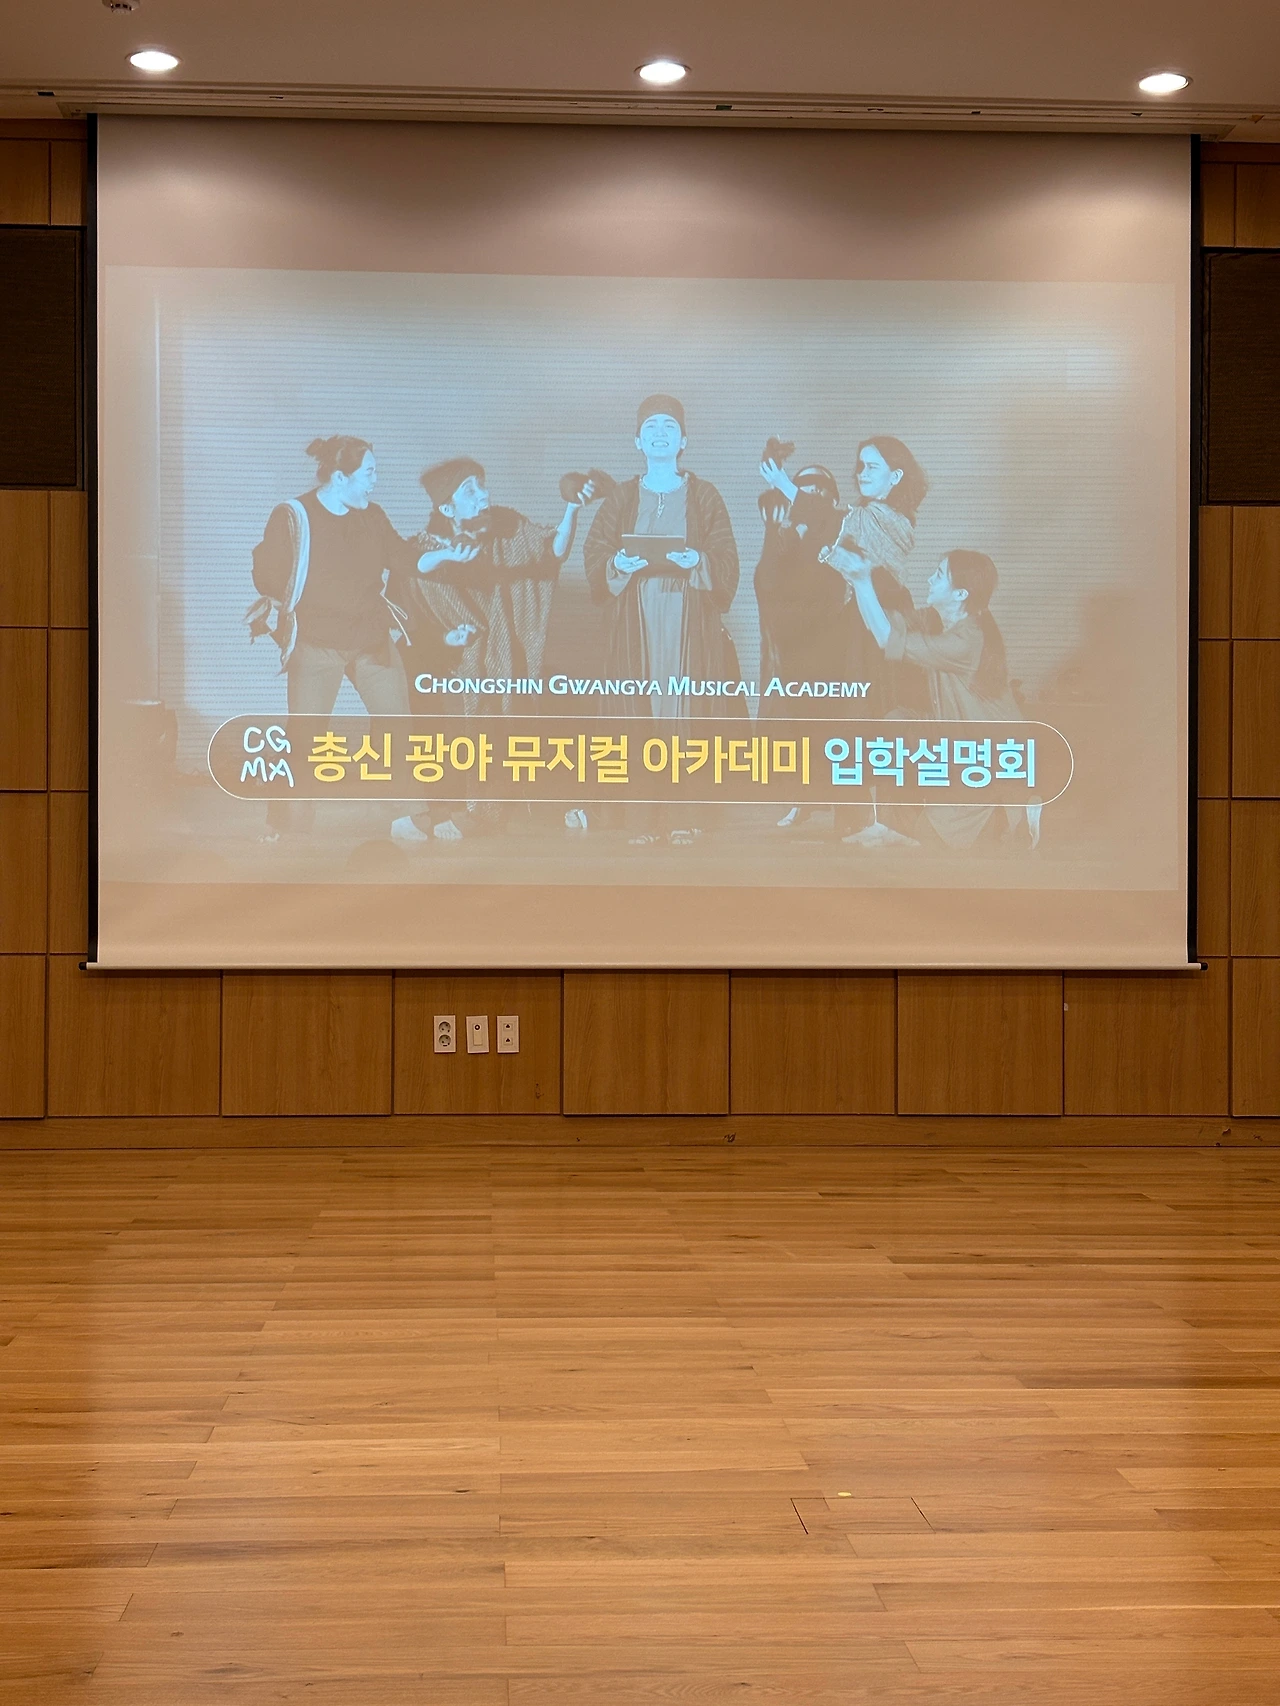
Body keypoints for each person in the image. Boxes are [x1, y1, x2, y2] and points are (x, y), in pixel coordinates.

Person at [402, 457, 599, 841]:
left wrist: (572, 508)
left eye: (482, 484)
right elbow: (416, 629)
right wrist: (449, 639)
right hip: (453, 671)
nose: (484, 494)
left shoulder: (506, 527)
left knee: (538, 714)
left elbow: (553, 550)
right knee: (463, 732)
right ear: (446, 509)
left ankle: (535, 807)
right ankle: (448, 812)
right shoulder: (421, 554)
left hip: (510, 660)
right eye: (470, 490)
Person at [248, 435, 431, 843]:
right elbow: (266, 573)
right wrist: (283, 603)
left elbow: (402, 557)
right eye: (369, 473)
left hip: (370, 639)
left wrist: (443, 557)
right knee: (305, 737)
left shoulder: (373, 516)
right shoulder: (293, 516)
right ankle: (287, 823)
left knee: (397, 724)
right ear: (339, 477)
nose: (375, 481)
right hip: (316, 642)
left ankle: (404, 815)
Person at [583, 395, 740, 846]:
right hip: (636, 625)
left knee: (685, 714)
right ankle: (640, 819)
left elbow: (727, 557)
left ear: (683, 440)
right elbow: (595, 552)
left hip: (688, 624)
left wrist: (698, 560)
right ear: (637, 440)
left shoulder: (704, 496)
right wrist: (618, 563)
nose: (659, 433)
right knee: (638, 716)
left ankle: (684, 815)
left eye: (669, 426)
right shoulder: (622, 496)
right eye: (650, 426)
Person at [762, 433, 928, 844]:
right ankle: (853, 821)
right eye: (860, 466)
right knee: (850, 723)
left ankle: (887, 823)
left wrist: (786, 486)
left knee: (879, 720)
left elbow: (834, 521)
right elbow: (830, 532)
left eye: (872, 466)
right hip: (857, 629)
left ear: (896, 476)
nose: (861, 473)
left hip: (883, 628)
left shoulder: (891, 520)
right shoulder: (860, 516)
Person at [837, 547, 1041, 850]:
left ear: (960, 594)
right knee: (898, 723)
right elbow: (881, 627)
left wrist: (863, 579)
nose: (929, 579)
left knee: (934, 838)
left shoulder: (967, 639)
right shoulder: (937, 620)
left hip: (989, 755)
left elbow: (886, 638)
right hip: (957, 736)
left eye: (939, 575)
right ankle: (891, 825)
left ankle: (1015, 812)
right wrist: (857, 581)